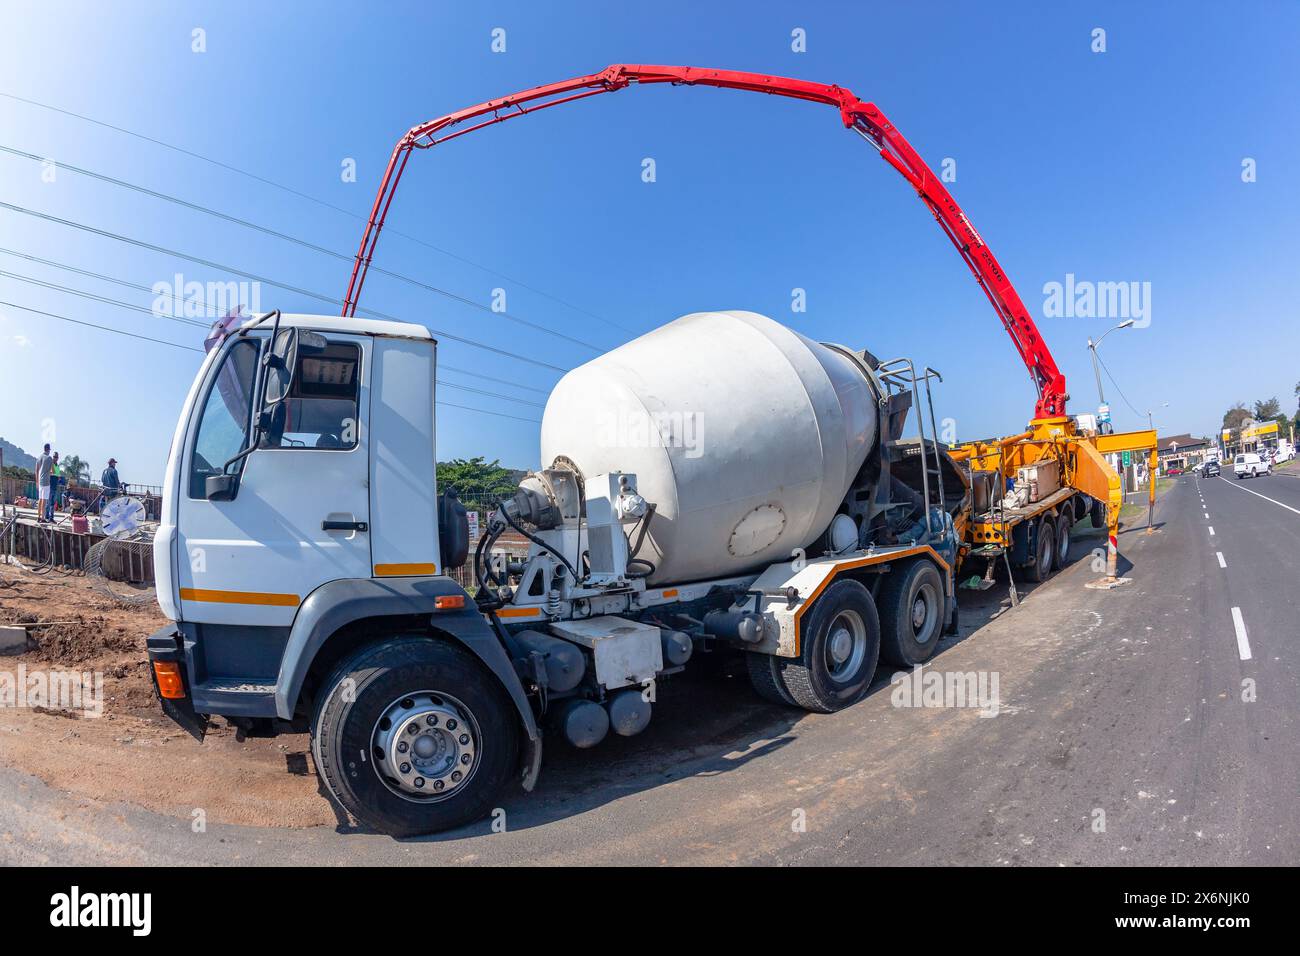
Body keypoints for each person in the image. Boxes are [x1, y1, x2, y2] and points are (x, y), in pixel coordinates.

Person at [36, 443, 52, 522]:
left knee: (40, 499)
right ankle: (42, 518)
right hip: (46, 481)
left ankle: (38, 517)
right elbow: (51, 471)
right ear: (48, 449)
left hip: (40, 481)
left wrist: (37, 482)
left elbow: (37, 470)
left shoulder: (39, 457)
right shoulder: (49, 458)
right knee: (44, 500)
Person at [46, 452, 61, 522]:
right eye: (54, 456)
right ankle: (46, 516)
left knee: (53, 502)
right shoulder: (50, 464)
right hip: (50, 486)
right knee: (48, 502)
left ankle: (51, 517)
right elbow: (49, 473)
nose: (55, 458)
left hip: (55, 487)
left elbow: (58, 476)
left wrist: (58, 479)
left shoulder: (57, 466)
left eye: (56, 457)